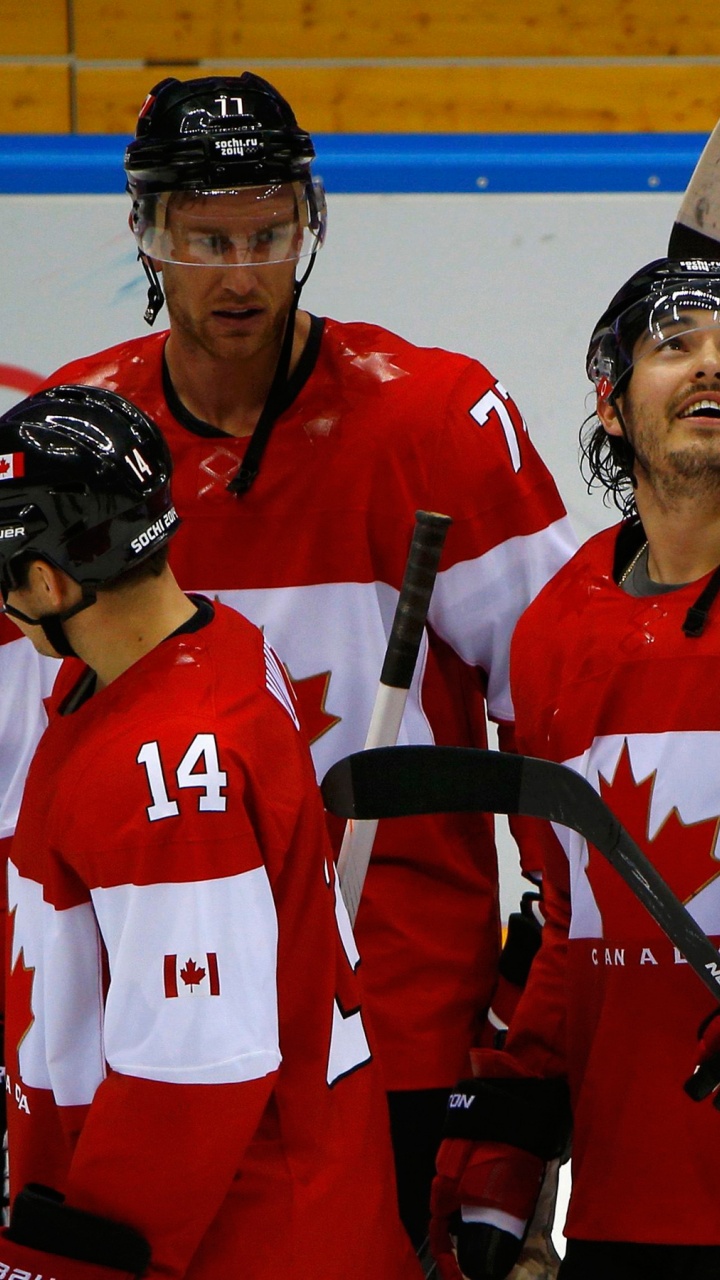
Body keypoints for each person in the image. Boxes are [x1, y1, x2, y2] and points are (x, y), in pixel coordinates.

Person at [32, 72, 576, 1246]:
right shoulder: (81, 441)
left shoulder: (435, 417)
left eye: (269, 233)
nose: (241, 273)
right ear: (147, 233)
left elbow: (566, 706)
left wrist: (544, 987)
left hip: (400, 1021)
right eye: (207, 237)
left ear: (310, 225)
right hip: (144, 1035)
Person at [0, 382, 422, 1280]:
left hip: (245, 1240)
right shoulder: (215, 643)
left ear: (49, 580)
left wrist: (75, 1265)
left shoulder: (164, 765)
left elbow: (192, 1071)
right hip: (290, 1200)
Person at [429, 257, 720, 1280]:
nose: (710, 365)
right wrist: (506, 1159)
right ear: (609, 400)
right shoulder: (558, 626)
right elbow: (567, 916)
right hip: (626, 1200)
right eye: (675, 343)